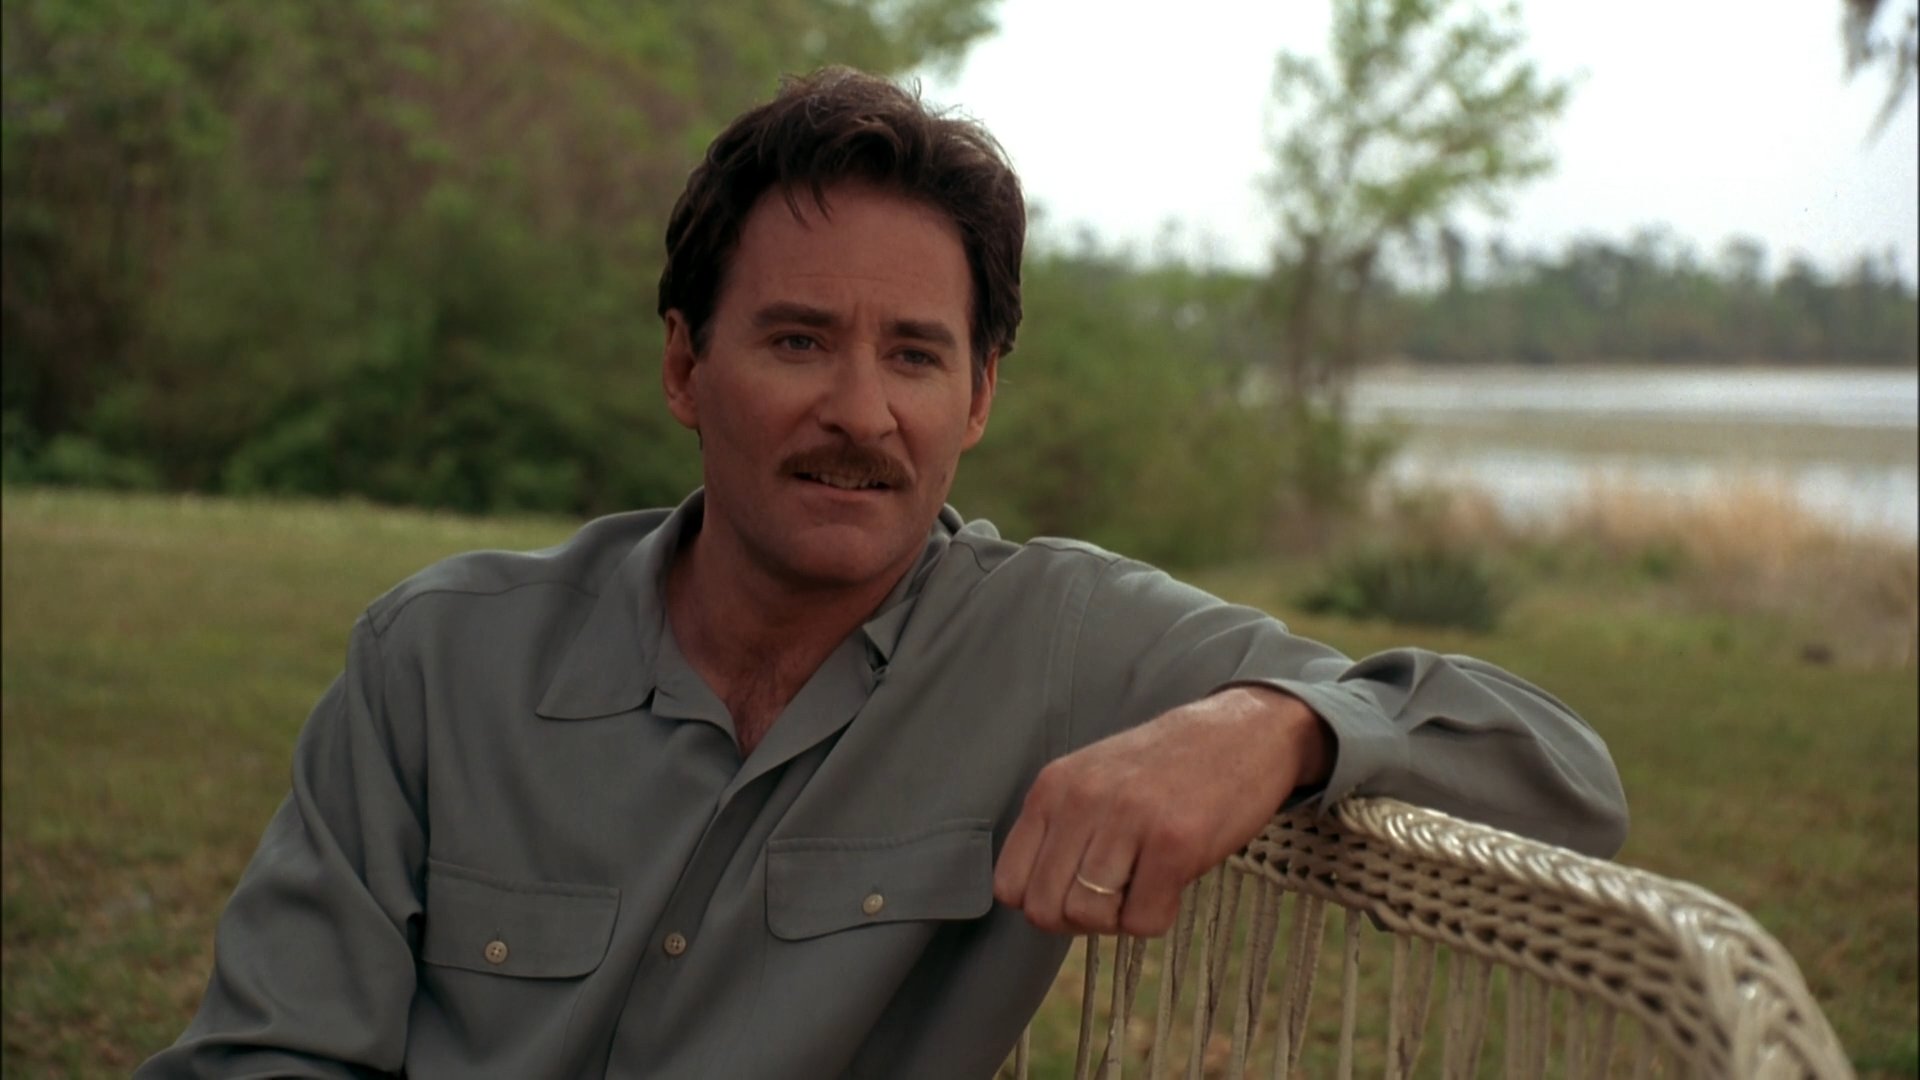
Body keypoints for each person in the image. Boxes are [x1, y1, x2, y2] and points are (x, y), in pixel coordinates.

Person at [137, 67, 1627, 1079]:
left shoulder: (1059, 644)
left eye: (915, 355)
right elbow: (273, 1051)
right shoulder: (436, 663)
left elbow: (1562, 775)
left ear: (979, 398)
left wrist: (1272, 725)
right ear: (684, 365)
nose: (861, 413)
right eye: (798, 340)